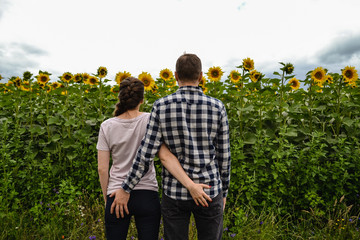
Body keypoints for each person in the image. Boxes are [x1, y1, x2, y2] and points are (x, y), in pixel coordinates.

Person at [115, 53, 231, 240]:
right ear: (201, 76)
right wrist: (223, 192)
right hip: (210, 190)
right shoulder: (217, 107)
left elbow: (146, 153)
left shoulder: (161, 106)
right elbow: (224, 156)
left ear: (176, 76)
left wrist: (126, 187)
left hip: (175, 193)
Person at [97, 77, 161, 240]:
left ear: (121, 98)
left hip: (116, 194)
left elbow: (102, 169)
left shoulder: (107, 125)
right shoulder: (150, 120)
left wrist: (107, 199)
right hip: (147, 193)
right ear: (142, 99)